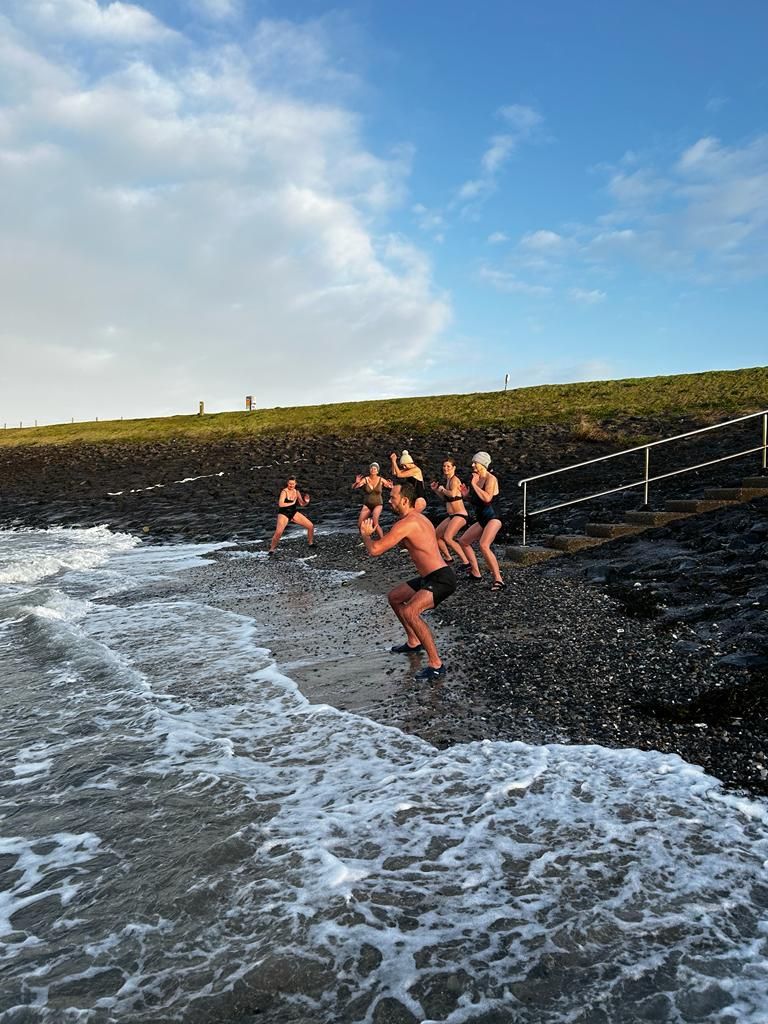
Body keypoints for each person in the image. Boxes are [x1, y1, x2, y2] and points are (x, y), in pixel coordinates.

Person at [359, 478, 455, 679]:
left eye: (393, 497)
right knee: (395, 597)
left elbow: (375, 550)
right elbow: (413, 545)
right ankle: (413, 641)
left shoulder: (407, 523)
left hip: (441, 579)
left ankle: (436, 664)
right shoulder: (418, 518)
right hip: (430, 576)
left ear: (404, 501)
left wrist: (366, 535)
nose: (389, 501)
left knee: (411, 611)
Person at [459, 451, 505, 590]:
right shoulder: (477, 479)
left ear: (483, 464)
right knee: (463, 541)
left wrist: (474, 485)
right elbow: (477, 501)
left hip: (494, 518)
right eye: (473, 462)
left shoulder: (491, 479)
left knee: (484, 545)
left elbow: (487, 498)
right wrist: (466, 496)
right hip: (482, 519)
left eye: (475, 463)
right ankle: (476, 572)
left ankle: (499, 579)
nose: (473, 465)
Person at [430, 457, 469, 566]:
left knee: (447, 537)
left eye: (448, 466)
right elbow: (445, 498)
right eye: (444, 466)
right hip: (451, 515)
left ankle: (466, 562)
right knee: (436, 536)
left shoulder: (454, 480)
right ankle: (448, 558)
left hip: (460, 515)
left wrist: (442, 489)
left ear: (453, 468)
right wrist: (437, 490)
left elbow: (452, 494)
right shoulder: (448, 480)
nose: (445, 468)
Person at [268, 476, 314, 553]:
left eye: (293, 484)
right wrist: (292, 503)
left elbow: (302, 504)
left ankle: (311, 543)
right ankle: (272, 549)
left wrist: (306, 501)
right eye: (289, 484)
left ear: (295, 484)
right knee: (278, 532)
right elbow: (281, 504)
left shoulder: (296, 492)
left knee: (310, 526)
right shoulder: (284, 492)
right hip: (284, 513)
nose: (291, 485)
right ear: (287, 483)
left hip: (293, 512)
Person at [352, 462, 392, 539]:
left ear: (377, 471)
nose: (373, 470)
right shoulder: (366, 479)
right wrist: (356, 483)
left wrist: (391, 486)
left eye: (375, 468)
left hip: (378, 504)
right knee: (360, 524)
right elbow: (354, 487)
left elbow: (390, 486)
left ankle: (382, 539)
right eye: (372, 468)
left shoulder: (381, 479)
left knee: (375, 522)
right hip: (367, 504)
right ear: (370, 470)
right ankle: (366, 539)